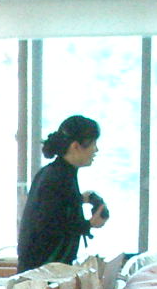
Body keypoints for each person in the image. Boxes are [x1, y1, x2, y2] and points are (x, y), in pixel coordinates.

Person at [15, 115, 111, 272]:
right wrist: (89, 224)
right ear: (75, 146)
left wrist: (80, 199)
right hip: (43, 273)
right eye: (93, 144)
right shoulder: (58, 178)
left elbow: (56, 209)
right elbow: (51, 226)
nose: (96, 150)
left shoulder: (54, 172)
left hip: (42, 269)